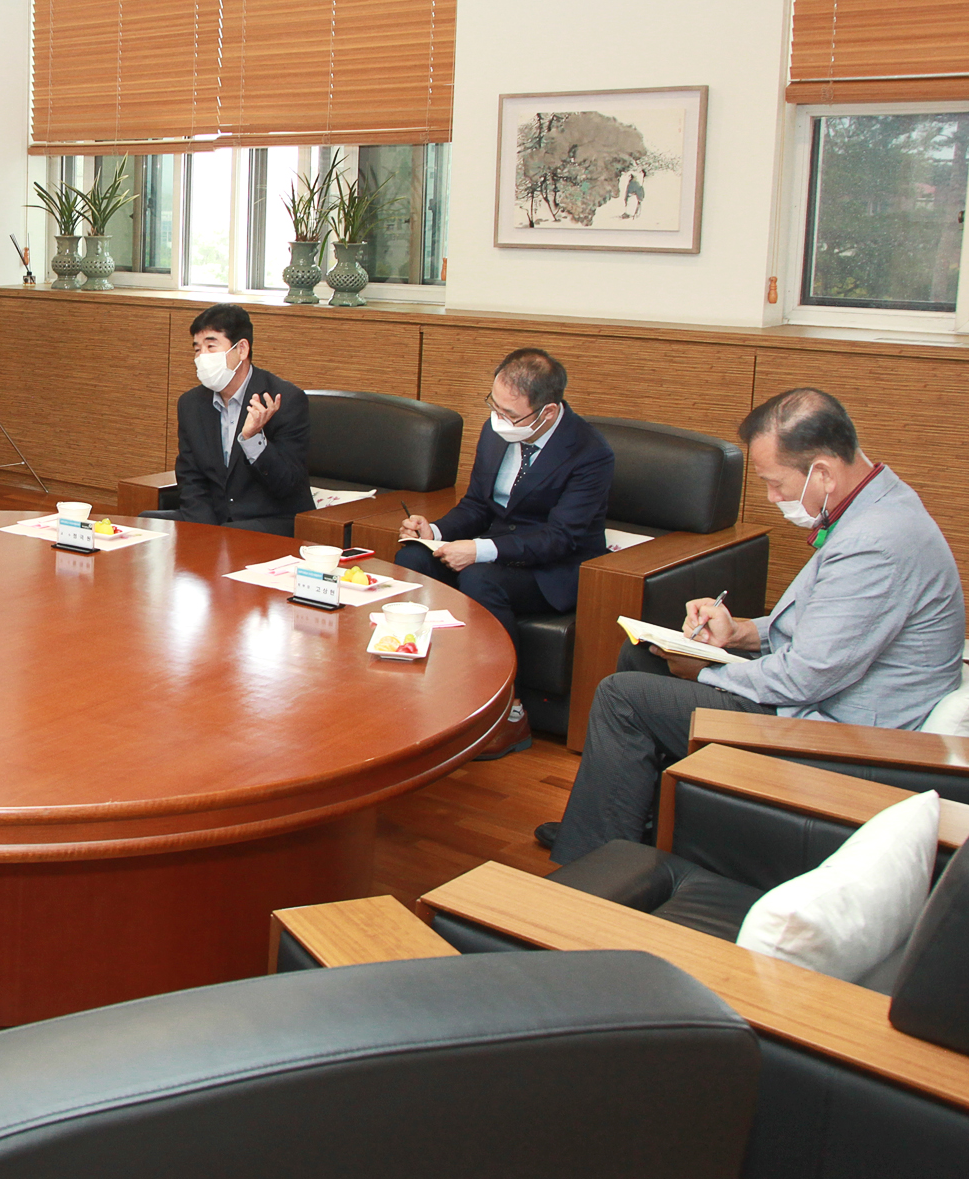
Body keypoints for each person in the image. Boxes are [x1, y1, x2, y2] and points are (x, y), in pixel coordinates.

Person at [543, 387, 964, 863]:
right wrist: (738, 633)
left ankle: (592, 860)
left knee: (624, 698)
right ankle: (622, 822)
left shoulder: (877, 542)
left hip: (845, 735)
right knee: (642, 655)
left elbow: (806, 676)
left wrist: (705, 671)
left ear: (822, 472)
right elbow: (827, 625)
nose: (772, 497)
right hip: (827, 695)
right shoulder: (875, 501)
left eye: (775, 482)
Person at [395, 348, 612, 759]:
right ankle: (419, 691)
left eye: (510, 414)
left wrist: (480, 550)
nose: (499, 419)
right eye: (494, 406)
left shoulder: (589, 452)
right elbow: (478, 505)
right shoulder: (497, 429)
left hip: (551, 569)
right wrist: (434, 532)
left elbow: (561, 537)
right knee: (413, 559)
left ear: (548, 412)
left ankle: (507, 713)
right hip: (495, 549)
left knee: (480, 578)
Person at [165, 303, 313, 537]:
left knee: (231, 535)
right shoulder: (191, 404)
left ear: (241, 349)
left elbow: (288, 485)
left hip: (269, 520)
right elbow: (190, 478)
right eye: (197, 349)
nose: (202, 357)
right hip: (214, 519)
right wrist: (205, 531)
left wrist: (253, 439)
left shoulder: (283, 400)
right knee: (146, 523)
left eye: (211, 346)